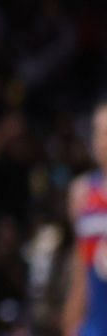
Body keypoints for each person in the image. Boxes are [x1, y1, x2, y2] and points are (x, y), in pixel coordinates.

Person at [64, 103, 107, 336]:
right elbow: (80, 264)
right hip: (97, 322)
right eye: (96, 131)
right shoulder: (81, 192)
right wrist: (71, 323)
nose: (101, 141)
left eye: (106, 132)